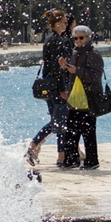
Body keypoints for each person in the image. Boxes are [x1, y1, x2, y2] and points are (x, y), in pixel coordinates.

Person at [26, 10, 73, 166]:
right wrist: (63, 88)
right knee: (60, 121)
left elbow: (48, 67)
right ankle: (58, 156)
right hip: (59, 85)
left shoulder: (48, 40)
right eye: (65, 22)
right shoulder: (63, 41)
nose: (67, 25)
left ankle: (53, 153)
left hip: (48, 85)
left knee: (57, 120)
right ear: (58, 24)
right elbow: (60, 68)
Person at [58, 24, 104, 170]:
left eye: (81, 38)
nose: (77, 40)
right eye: (75, 38)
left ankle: (92, 161)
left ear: (88, 38)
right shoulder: (75, 52)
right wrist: (65, 67)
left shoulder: (93, 54)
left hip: (88, 98)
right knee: (71, 130)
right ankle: (71, 160)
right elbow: (71, 75)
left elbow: (95, 76)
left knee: (88, 132)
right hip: (75, 97)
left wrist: (76, 70)